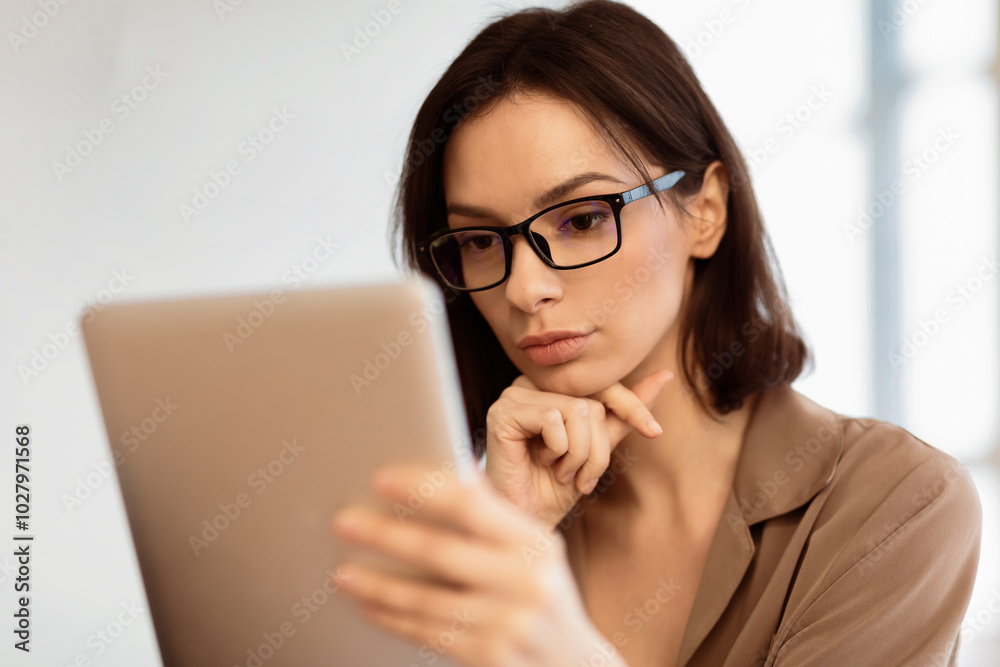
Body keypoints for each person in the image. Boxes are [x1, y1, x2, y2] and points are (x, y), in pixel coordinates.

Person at [330, 2, 983, 665]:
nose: (524, 288)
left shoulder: (894, 502)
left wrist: (558, 648)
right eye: (479, 240)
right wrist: (504, 540)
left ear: (706, 211)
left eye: (582, 219)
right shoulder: (485, 520)